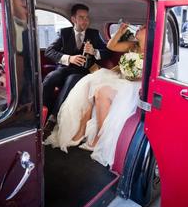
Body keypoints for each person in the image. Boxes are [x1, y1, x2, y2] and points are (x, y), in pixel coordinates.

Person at [45, 23, 146, 167]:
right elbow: (111, 46)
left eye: (142, 27)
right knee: (89, 83)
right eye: (81, 17)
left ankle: (99, 136)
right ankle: (80, 129)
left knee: (99, 90)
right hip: (120, 77)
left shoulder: (154, 51)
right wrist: (120, 31)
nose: (139, 28)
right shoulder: (132, 45)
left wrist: (133, 74)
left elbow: (150, 74)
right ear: (73, 19)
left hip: (134, 84)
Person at [42, 4, 109, 118]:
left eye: (87, 17)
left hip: (82, 71)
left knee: (71, 80)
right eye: (81, 17)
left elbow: (107, 52)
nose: (85, 21)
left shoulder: (94, 34)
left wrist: (94, 51)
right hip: (64, 68)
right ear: (73, 19)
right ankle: (40, 111)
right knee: (51, 77)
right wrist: (69, 58)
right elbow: (49, 51)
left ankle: (53, 118)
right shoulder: (64, 33)